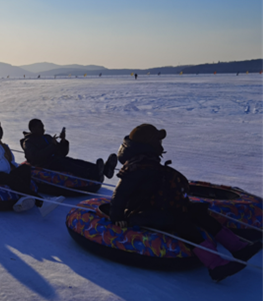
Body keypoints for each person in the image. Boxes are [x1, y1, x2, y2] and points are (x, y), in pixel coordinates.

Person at [109, 124, 262, 282]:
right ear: (149, 144)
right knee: (181, 221)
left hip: (155, 206)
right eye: (158, 142)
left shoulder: (148, 162)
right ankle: (216, 265)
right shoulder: (135, 168)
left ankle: (238, 248)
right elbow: (120, 195)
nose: (161, 145)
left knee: (198, 213)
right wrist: (117, 217)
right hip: (140, 213)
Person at [0, 121, 65, 217]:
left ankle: (23, 197)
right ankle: (41, 202)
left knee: (25, 169)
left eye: (0, 129)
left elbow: (10, 161)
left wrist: (16, 168)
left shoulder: (2, 145)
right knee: (11, 179)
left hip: (4, 171)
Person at [20, 119, 117, 187]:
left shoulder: (47, 137)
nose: (43, 128)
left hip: (56, 159)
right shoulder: (28, 142)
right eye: (40, 127)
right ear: (32, 129)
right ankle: (92, 174)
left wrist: (62, 141)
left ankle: (104, 169)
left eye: (43, 126)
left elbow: (62, 153)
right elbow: (35, 157)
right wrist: (52, 146)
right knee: (66, 164)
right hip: (44, 164)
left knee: (74, 161)